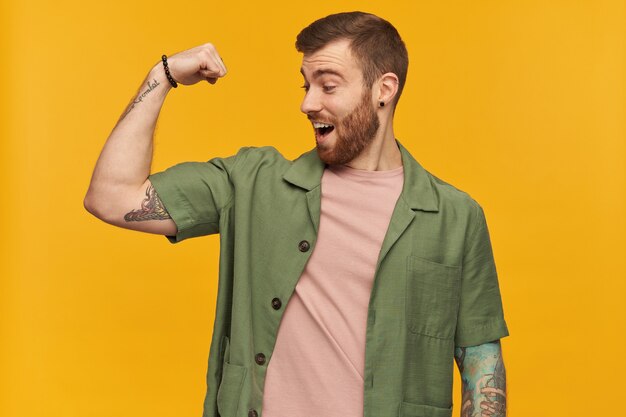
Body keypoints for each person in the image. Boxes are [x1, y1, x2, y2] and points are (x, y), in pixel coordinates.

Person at [84, 11, 510, 417]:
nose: (308, 104)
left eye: (328, 86)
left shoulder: (455, 216)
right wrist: (164, 75)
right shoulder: (252, 184)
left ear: (384, 89)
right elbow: (112, 196)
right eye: (305, 85)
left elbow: (480, 359)